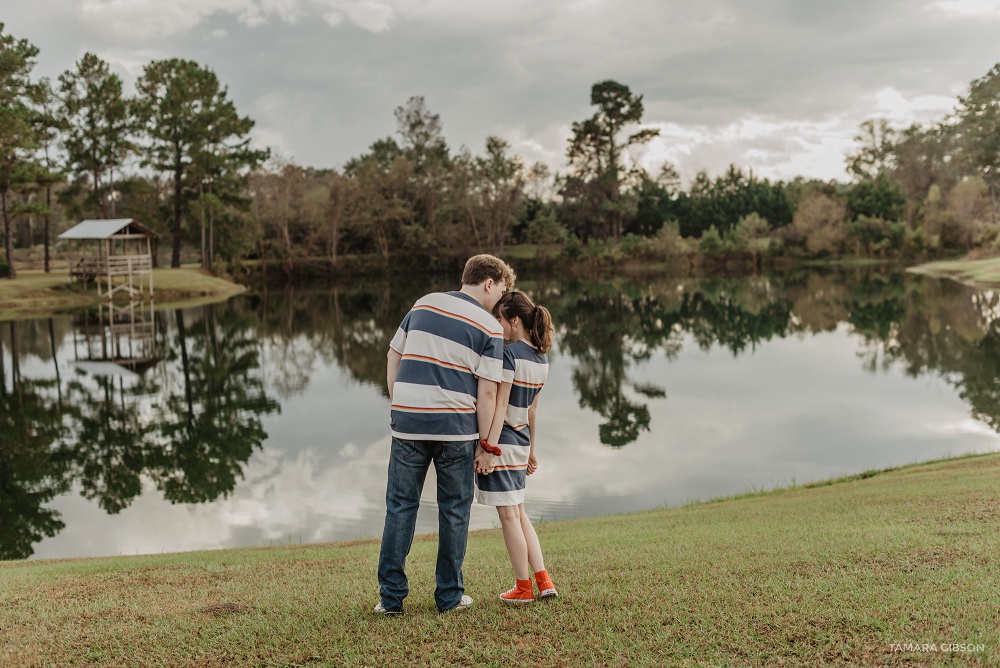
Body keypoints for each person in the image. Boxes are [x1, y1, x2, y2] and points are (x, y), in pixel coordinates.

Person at [376, 254, 516, 615]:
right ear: (489, 282)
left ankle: (391, 601)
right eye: (501, 290)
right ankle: (449, 598)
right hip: (456, 429)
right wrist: (487, 444)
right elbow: (487, 393)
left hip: (407, 422)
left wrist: (400, 400)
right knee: (453, 510)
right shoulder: (490, 327)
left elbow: (393, 355)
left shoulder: (423, 303)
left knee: (400, 506)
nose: (501, 299)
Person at [475, 289, 558, 603]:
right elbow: (532, 411)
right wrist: (532, 450)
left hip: (504, 444)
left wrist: (488, 447)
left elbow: (499, 406)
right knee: (520, 514)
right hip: (522, 444)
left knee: (509, 517)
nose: (498, 325)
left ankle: (523, 588)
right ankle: (544, 580)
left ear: (513, 320)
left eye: (500, 319)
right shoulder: (542, 359)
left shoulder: (509, 355)